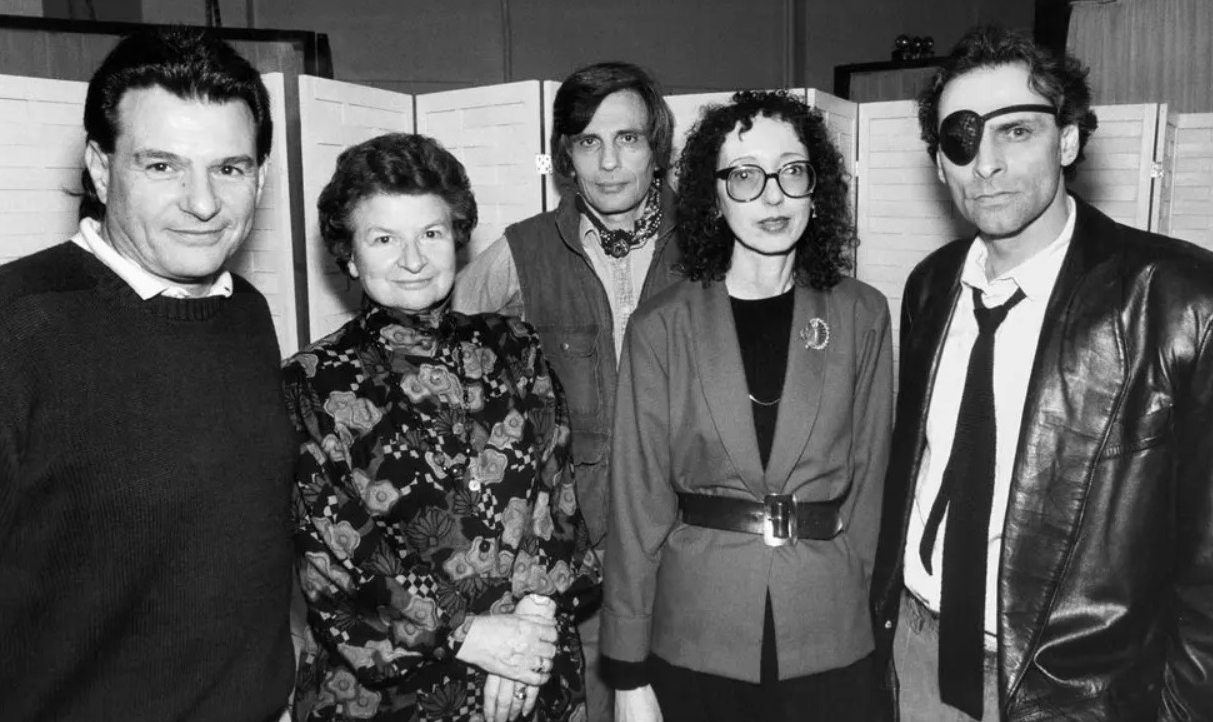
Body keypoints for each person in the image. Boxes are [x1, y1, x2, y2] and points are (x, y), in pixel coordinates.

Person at [870, 25, 1213, 721]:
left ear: (1066, 140)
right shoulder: (930, 287)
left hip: (1081, 696)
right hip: (917, 655)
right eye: (960, 139)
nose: (986, 164)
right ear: (939, 163)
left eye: (1016, 131)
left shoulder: (1197, 310)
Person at [0, 29, 295, 720]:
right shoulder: (16, 327)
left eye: (230, 168)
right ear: (102, 170)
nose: (202, 203)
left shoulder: (245, 312)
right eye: (162, 166)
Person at [601, 90, 893, 722]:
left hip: (830, 631)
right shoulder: (662, 325)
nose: (772, 196)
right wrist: (627, 675)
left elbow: (871, 490)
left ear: (818, 189)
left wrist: (865, 620)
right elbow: (636, 505)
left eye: (792, 171)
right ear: (713, 195)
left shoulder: (861, 315)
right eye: (744, 175)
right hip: (696, 632)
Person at [286, 133, 599, 722]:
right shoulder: (311, 383)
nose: (413, 258)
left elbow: (556, 495)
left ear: (456, 237)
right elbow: (334, 555)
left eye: (430, 233)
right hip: (391, 692)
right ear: (349, 255)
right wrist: (472, 636)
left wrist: (532, 620)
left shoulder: (516, 347)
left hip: (532, 675)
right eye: (384, 238)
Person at [453, 61, 681, 722]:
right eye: (587, 141)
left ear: (656, 147)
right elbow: (444, 365)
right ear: (564, 156)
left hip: (680, 550)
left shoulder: (707, 245)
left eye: (628, 139)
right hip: (568, 559)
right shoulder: (522, 251)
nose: (608, 162)